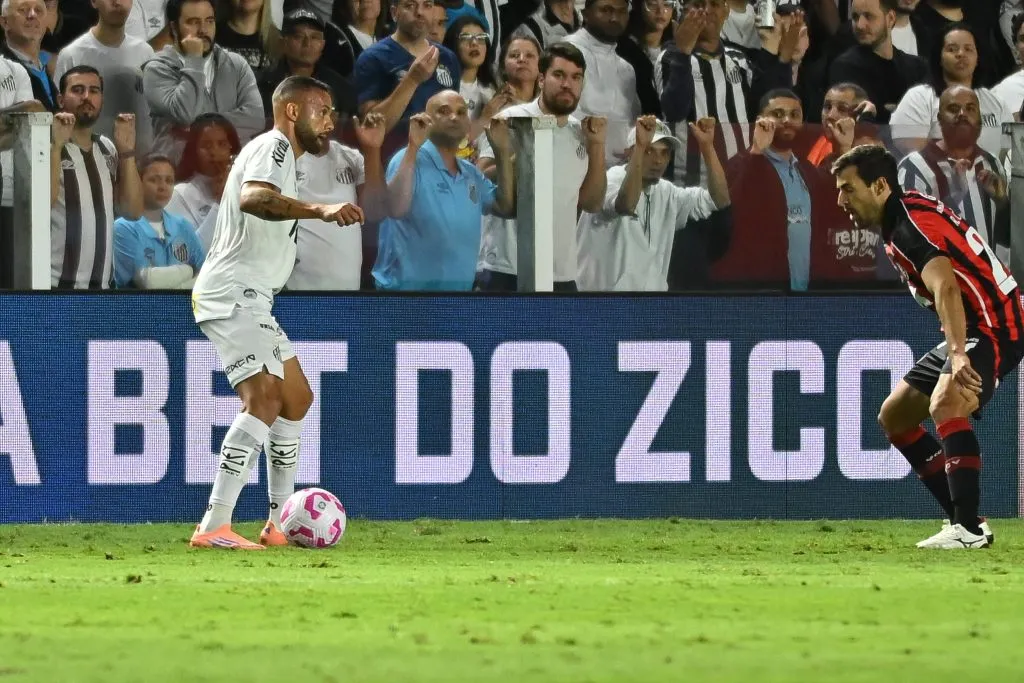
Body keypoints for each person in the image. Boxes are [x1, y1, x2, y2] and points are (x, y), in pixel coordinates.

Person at [189, 75, 365, 549]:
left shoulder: (287, 159)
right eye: (321, 110)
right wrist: (321, 210)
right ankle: (214, 526)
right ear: (292, 111)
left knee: (296, 398)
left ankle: (278, 525)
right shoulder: (275, 148)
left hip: (251, 295)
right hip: (233, 291)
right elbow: (254, 198)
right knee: (264, 398)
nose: (329, 121)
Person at [832, 144, 1024, 549]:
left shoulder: (906, 228)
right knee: (895, 417)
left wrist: (957, 353)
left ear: (880, 185)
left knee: (946, 403)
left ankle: (967, 530)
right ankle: (966, 521)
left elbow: (947, 287)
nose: (840, 200)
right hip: (974, 323)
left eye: (848, 189)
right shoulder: (902, 214)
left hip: (996, 323)